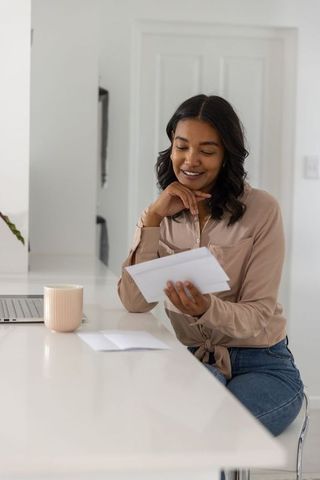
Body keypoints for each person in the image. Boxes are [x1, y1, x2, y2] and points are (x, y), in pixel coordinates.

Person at [118, 94, 304, 436]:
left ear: (226, 156)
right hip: (195, 360)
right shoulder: (161, 213)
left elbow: (259, 313)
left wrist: (207, 309)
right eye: (182, 146)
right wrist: (153, 218)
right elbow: (134, 301)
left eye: (207, 150)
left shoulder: (262, 210)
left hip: (263, 364)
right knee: (164, 423)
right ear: (171, 148)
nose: (191, 160)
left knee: (213, 430)